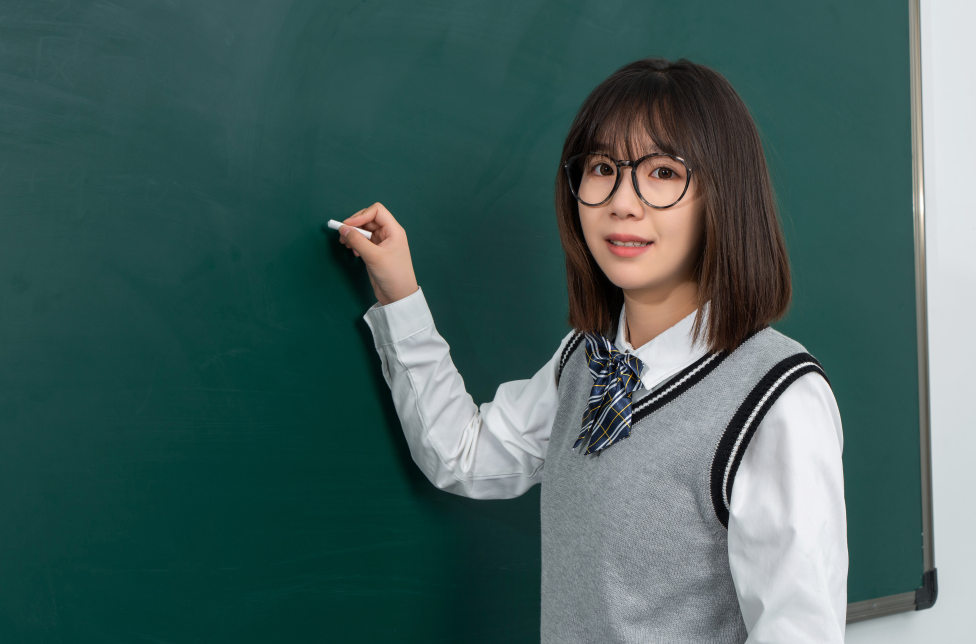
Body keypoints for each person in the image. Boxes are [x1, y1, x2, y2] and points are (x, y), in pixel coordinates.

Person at [336, 58, 848, 643]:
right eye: (603, 168)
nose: (622, 202)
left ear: (722, 195)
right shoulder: (585, 361)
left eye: (662, 172)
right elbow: (463, 455)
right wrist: (400, 293)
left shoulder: (777, 398)